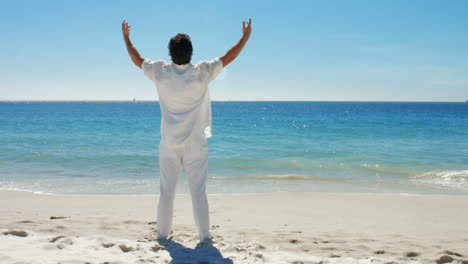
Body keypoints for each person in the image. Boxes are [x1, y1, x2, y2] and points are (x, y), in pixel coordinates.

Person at [122, 19, 252, 243]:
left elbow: (137, 60)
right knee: (198, 193)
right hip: (196, 146)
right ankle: (204, 237)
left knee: (166, 193)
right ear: (191, 53)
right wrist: (245, 38)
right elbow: (228, 58)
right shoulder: (202, 72)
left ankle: (162, 235)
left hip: (169, 145)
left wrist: (126, 37)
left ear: (171, 54)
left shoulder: (160, 72)